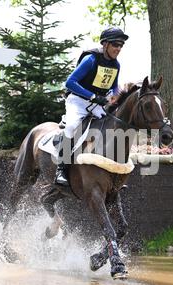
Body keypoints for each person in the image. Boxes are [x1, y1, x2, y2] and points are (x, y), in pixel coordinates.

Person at [54, 26, 129, 186]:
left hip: (96, 104)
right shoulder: (91, 60)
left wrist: (115, 94)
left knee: (110, 124)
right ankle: (60, 169)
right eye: (115, 44)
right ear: (105, 44)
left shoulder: (116, 65)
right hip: (78, 101)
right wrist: (93, 96)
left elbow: (114, 86)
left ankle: (112, 173)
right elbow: (70, 82)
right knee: (72, 126)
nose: (118, 48)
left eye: (121, 45)